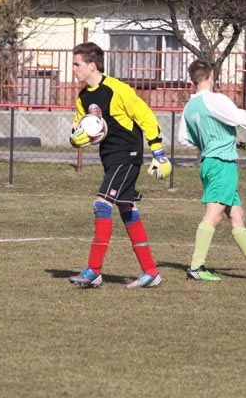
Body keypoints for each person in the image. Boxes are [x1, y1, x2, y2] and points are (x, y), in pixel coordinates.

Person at [68, 42, 172, 289]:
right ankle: (151, 272)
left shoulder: (117, 89)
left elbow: (145, 116)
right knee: (127, 209)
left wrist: (158, 151)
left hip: (128, 155)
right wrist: (75, 137)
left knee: (101, 204)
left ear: (92, 66)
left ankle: (94, 271)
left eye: (77, 64)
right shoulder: (83, 97)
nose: (73, 69)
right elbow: (78, 126)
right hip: (110, 158)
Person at [177, 59, 246, 281]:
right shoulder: (214, 99)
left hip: (209, 162)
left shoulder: (190, 106)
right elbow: (238, 117)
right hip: (222, 163)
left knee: (237, 216)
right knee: (213, 215)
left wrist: (206, 142)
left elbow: (183, 138)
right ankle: (196, 267)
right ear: (210, 75)